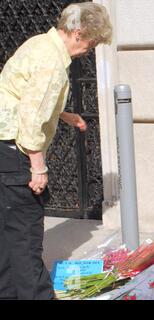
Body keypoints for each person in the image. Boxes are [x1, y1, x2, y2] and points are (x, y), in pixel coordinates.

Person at [0, 2, 112, 300]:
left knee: (8, 238)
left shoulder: (38, 43)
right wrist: (37, 167)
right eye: (92, 41)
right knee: (25, 240)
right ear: (78, 33)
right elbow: (32, 119)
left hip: (3, 146)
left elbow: (24, 94)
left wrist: (65, 115)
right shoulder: (52, 61)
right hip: (16, 152)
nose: (90, 49)